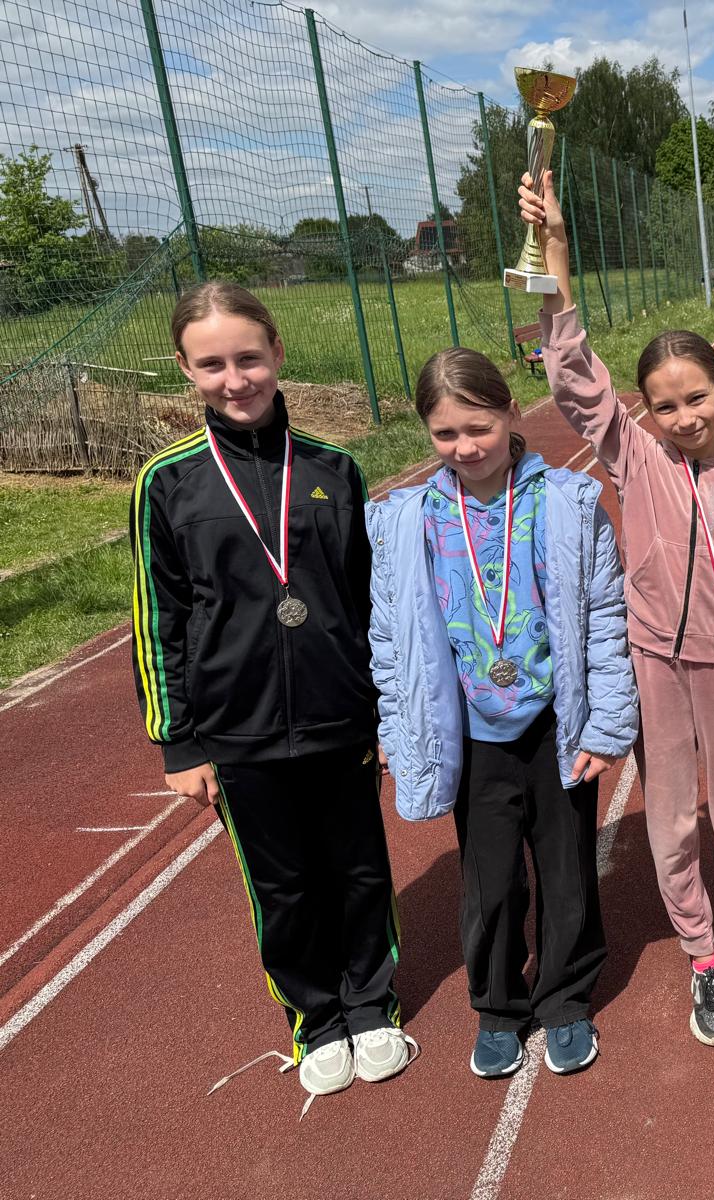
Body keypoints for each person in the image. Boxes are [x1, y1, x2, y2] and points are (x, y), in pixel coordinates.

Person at [518, 170, 714, 1047]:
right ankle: (703, 958)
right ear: (643, 412)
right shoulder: (633, 461)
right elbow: (574, 376)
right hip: (657, 671)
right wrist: (556, 252)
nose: (682, 416)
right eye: (664, 405)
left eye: (696, 398)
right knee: (671, 824)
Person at [131, 282, 410, 1113]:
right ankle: (315, 1020)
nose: (235, 379)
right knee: (282, 887)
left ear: (278, 353)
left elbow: (369, 603)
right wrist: (178, 741)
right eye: (212, 364)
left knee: (359, 870)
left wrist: (386, 712)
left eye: (249, 358)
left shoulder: (333, 468)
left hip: (339, 716)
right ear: (186, 370)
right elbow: (158, 617)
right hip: (237, 730)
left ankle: (372, 1004)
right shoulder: (167, 482)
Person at [366, 346, 637, 1078]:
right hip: (471, 733)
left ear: (514, 412)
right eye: (445, 433)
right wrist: (396, 725)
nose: (465, 446)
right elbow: (391, 637)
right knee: (489, 881)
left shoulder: (567, 503)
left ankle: (566, 998)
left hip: (556, 724)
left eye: (479, 427)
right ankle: (497, 1005)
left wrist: (608, 724)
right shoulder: (408, 521)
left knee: (566, 867)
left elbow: (604, 617)